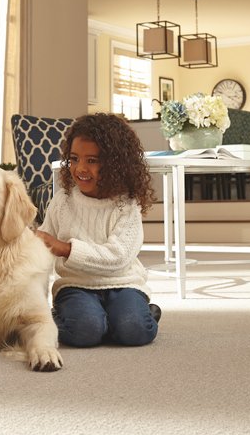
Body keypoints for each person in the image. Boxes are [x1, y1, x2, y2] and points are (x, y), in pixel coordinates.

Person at [35, 113, 161, 348]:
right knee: (85, 332)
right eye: (73, 158)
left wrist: (64, 248)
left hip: (123, 283)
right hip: (75, 285)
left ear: (115, 164)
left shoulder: (126, 205)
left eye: (92, 160)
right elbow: (42, 247)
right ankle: (99, 321)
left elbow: (118, 257)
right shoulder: (62, 201)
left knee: (134, 330)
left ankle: (143, 314)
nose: (80, 168)